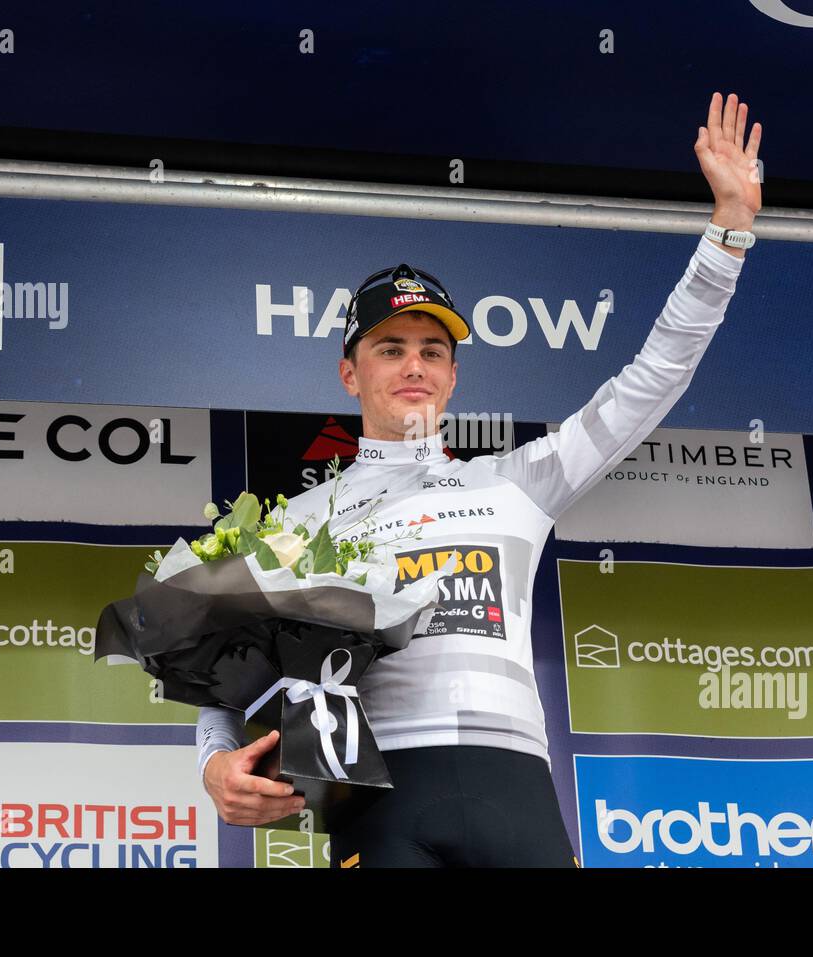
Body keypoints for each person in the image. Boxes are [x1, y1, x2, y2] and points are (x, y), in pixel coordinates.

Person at [197, 91, 762, 867]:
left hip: (517, 789)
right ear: (348, 373)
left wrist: (728, 233)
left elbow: (654, 375)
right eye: (390, 347)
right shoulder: (299, 522)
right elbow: (216, 676)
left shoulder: (518, 481)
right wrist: (213, 765)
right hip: (380, 800)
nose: (414, 365)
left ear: (454, 377)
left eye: (432, 350)